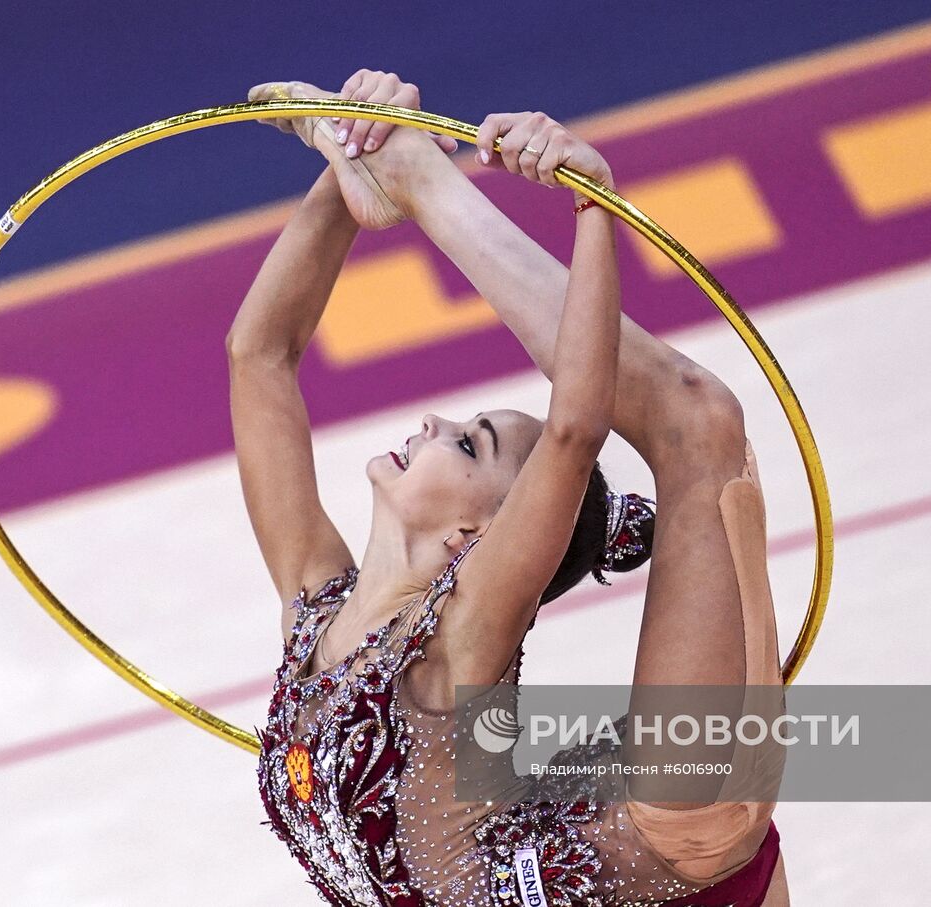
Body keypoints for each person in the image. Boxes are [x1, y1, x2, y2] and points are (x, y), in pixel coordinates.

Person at [228, 70, 788, 906]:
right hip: (573, 864)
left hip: (668, 844)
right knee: (695, 420)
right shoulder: (313, 605)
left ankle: (426, 176)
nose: (429, 421)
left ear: (483, 534)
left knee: (698, 421)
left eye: (467, 442)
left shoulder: (461, 628)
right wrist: (345, 157)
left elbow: (574, 428)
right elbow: (258, 353)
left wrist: (595, 210)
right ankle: (414, 172)